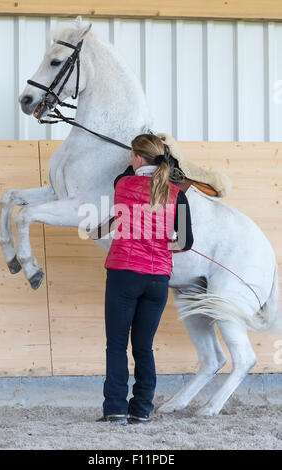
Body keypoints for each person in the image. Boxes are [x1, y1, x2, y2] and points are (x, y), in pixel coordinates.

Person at [97, 133, 194, 426]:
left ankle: (115, 408)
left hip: (124, 273)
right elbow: (186, 243)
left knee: (116, 344)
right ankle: (141, 410)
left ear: (137, 158)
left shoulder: (123, 184)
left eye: (132, 155)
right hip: (158, 279)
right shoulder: (177, 194)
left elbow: (130, 174)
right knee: (144, 347)